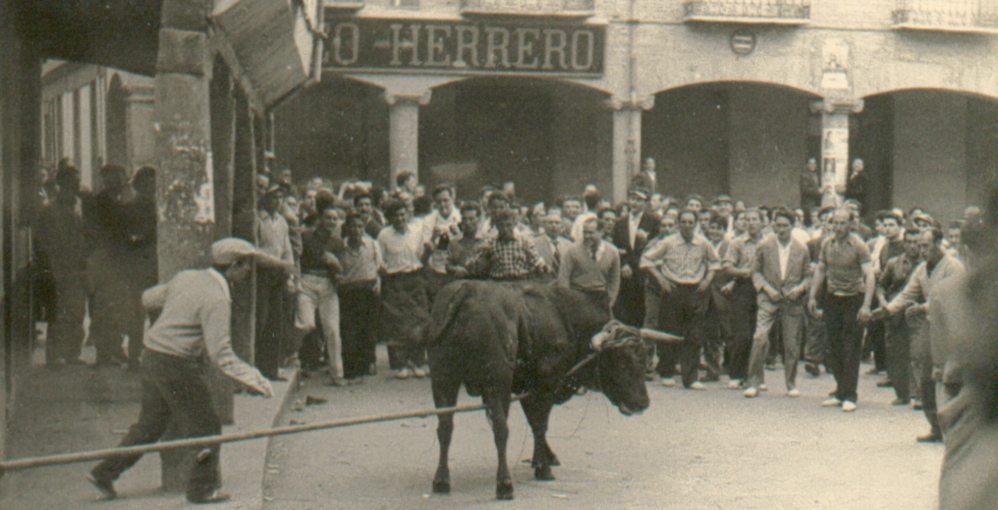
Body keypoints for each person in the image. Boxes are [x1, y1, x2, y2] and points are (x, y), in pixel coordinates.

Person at [87, 238, 274, 505]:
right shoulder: (218, 298)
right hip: (176, 364)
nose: (248, 273)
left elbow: (148, 298)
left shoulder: (187, 277)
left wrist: (174, 315)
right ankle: (202, 489)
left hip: (152, 354)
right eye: (246, 267)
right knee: (206, 425)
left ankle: (104, 473)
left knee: (150, 425)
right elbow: (220, 353)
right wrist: (256, 381)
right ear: (233, 266)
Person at [873, 227, 965, 441]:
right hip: (933, 329)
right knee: (926, 379)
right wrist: (886, 309)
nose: (921, 250)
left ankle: (955, 430)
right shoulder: (923, 270)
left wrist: (924, 307)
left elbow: (951, 299)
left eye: (926, 245)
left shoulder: (954, 267)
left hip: (954, 330)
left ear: (939, 243)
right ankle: (936, 427)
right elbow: (907, 294)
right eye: (919, 246)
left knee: (950, 380)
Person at [640, 209, 719, 390]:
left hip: (694, 289)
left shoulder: (703, 243)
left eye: (691, 222)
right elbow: (646, 260)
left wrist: (707, 280)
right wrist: (660, 279)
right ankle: (667, 371)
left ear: (696, 224)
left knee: (694, 333)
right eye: (683, 222)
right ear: (678, 224)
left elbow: (715, 262)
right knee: (670, 331)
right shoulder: (668, 242)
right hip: (673, 289)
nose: (687, 226)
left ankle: (690, 378)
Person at [808, 208, 875, 413]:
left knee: (851, 347)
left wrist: (866, 305)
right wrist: (812, 295)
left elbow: (870, 276)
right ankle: (839, 391)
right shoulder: (827, 243)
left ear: (851, 224)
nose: (838, 227)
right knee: (834, 345)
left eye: (843, 223)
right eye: (835, 223)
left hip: (853, 298)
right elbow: (821, 269)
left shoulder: (858, 245)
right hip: (832, 298)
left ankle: (850, 395)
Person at [743, 209, 812, 398]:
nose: (781, 229)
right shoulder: (765, 245)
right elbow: (755, 272)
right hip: (768, 298)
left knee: (791, 343)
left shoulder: (801, 248)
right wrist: (767, 289)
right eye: (778, 225)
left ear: (793, 226)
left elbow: (808, 276)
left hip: (792, 300)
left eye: (785, 225)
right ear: (773, 225)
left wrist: (799, 289)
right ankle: (754, 382)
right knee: (760, 337)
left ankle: (790, 383)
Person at [35, 165, 89, 366]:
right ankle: (55, 355)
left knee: (77, 310)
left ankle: (72, 353)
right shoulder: (49, 210)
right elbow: (42, 240)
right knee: (58, 312)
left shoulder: (81, 207)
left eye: (76, 181)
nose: (74, 185)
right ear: (62, 184)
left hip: (78, 266)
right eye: (70, 182)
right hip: (58, 267)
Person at [377, 199, 433, 379]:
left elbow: (421, 258)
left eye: (403, 214)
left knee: (419, 319)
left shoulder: (416, 231)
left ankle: (418, 361)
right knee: (397, 322)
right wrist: (386, 277)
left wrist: (428, 252)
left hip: (415, 278)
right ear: (390, 217)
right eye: (396, 215)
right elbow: (380, 261)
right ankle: (401, 364)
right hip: (395, 280)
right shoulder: (384, 235)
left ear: (408, 215)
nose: (400, 218)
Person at [292, 205, 347, 386]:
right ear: (320, 219)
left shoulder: (337, 243)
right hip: (307, 282)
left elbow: (341, 271)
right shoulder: (306, 236)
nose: (332, 221)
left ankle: (337, 374)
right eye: (328, 218)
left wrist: (336, 264)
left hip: (327, 286)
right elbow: (297, 258)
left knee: (332, 329)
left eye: (335, 218)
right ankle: (291, 355)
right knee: (306, 324)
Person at [84, 164, 133, 366]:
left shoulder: (125, 200)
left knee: (120, 305)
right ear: (106, 180)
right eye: (115, 177)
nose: (121, 181)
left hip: (120, 259)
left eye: (121, 176)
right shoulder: (100, 202)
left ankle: (115, 346)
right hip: (104, 258)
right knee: (102, 305)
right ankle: (104, 352)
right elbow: (93, 230)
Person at [877, 228, 922, 406]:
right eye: (910, 242)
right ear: (904, 243)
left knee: (916, 353)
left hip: (914, 313)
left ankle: (917, 393)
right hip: (894, 312)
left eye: (916, 243)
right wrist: (882, 301)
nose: (913, 246)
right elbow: (881, 285)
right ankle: (902, 393)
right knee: (895, 353)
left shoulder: (924, 265)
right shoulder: (893, 263)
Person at [256, 184, 296, 380]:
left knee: (275, 322)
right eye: (273, 198)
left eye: (280, 198)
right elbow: (256, 251)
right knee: (261, 320)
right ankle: (258, 369)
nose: (278, 202)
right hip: (263, 273)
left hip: (278, 274)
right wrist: (280, 263)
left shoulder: (281, 222)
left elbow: (287, 248)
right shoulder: (258, 220)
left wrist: (289, 271)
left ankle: (271, 369)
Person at [339, 211, 383, 383]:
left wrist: (378, 283)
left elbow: (379, 268)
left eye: (360, 226)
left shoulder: (372, 244)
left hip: (368, 291)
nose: (357, 230)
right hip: (348, 292)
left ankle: (369, 361)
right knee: (350, 330)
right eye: (353, 226)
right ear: (346, 228)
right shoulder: (340, 247)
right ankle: (352, 369)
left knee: (369, 329)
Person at [723, 209, 765, 390]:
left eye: (755, 219)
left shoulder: (768, 243)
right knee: (742, 333)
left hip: (763, 288)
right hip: (743, 287)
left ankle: (755, 377)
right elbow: (727, 266)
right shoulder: (737, 242)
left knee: (760, 334)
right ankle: (736, 373)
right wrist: (743, 272)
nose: (751, 223)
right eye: (748, 220)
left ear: (762, 222)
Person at [611, 188, 660, 328]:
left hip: (644, 275)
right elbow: (616, 247)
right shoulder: (620, 222)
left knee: (644, 314)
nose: (634, 203)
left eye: (638, 200)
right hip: (626, 277)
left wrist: (646, 239)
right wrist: (623, 264)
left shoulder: (654, 220)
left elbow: (657, 245)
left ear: (645, 203)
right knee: (626, 314)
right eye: (632, 199)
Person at [557, 213, 621, 313]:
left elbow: (614, 279)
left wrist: (610, 300)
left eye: (591, 233)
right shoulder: (572, 251)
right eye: (585, 232)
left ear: (601, 232)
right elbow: (563, 279)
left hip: (601, 298)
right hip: (577, 296)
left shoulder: (612, 251)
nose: (587, 236)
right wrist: (569, 301)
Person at [467, 209, 547, 281]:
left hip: (520, 283)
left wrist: (544, 268)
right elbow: (475, 264)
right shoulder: (490, 243)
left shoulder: (524, 241)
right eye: (501, 225)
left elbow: (536, 261)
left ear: (514, 224)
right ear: (497, 226)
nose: (505, 229)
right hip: (497, 284)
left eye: (508, 225)